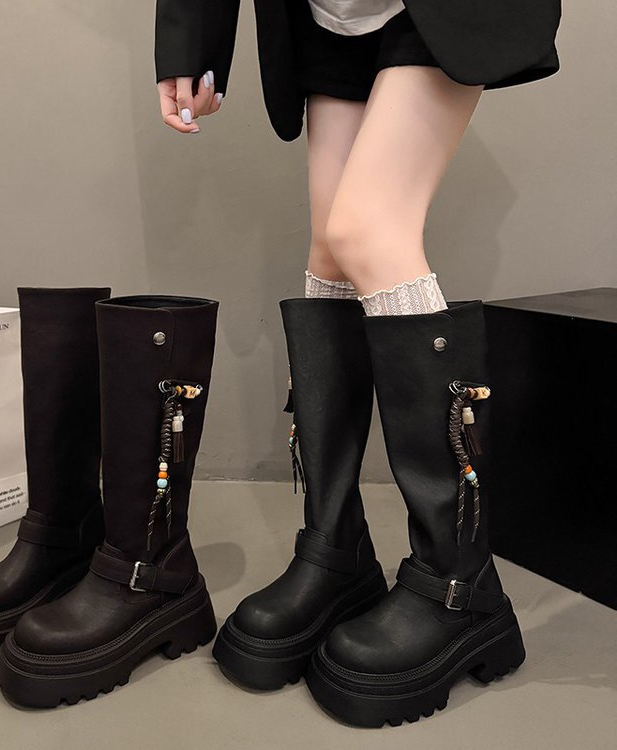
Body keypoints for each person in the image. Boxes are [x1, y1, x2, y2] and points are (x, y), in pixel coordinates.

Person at [154, 0, 562, 727]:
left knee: (368, 230)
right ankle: (335, 550)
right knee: (331, 251)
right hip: (325, 12)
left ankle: (458, 585)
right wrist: (193, 38)